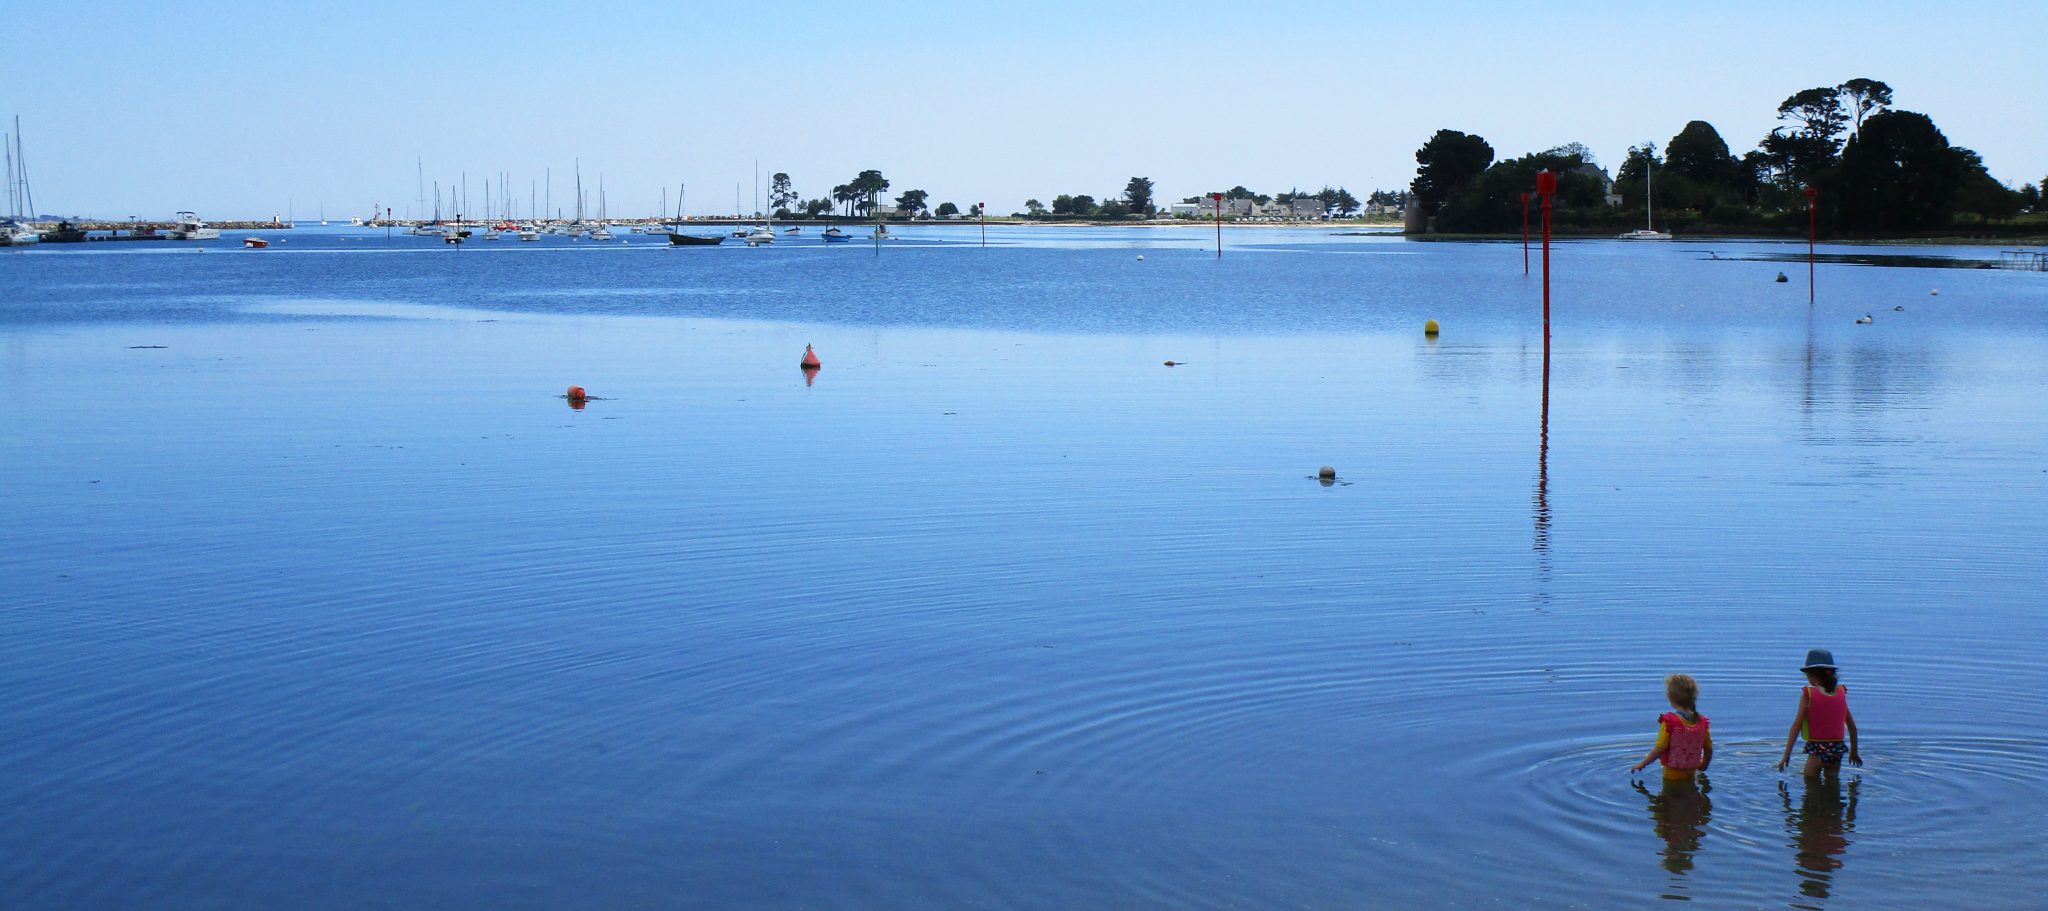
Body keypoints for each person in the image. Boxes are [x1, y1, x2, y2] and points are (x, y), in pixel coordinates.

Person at [1777, 649, 1861, 778]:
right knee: (1833, 785)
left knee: (1810, 783)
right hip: (1837, 750)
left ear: (1811, 675)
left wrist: (1786, 755)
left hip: (1816, 750)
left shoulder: (1808, 695)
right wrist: (1854, 753)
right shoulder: (1840, 694)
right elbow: (1852, 727)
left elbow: (1796, 726)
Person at [1631, 673, 1712, 782]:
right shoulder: (1701, 722)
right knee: (1691, 792)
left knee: (1670, 796)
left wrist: (1642, 764)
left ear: (1671, 697)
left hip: (1672, 775)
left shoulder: (1670, 722)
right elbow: (1708, 747)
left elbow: (1659, 748)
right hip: (1692, 770)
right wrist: (1703, 765)